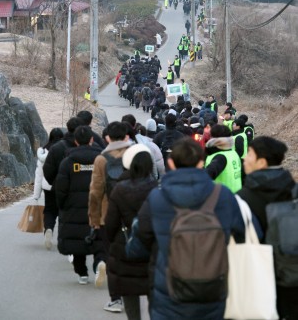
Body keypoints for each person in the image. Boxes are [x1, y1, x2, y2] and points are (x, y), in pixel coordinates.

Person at [131, 137, 245, 320]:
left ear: (170, 163)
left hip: (168, 292)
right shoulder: (223, 195)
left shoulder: (157, 197)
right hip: (214, 290)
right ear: (201, 162)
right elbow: (241, 236)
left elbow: (136, 248)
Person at [238, 136, 298, 320]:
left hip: (258, 283)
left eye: (249, 154)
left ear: (261, 162)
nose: (244, 158)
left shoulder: (242, 198)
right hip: (291, 277)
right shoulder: (294, 190)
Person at [105, 145, 157, 320]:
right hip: (152, 248)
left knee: (129, 294)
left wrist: (112, 242)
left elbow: (111, 223)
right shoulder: (156, 189)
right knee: (154, 293)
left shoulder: (119, 189)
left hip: (126, 245)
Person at [88, 121, 131, 313]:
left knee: (112, 257)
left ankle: (116, 300)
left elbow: (95, 193)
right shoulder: (138, 154)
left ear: (107, 138)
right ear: (127, 137)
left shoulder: (101, 159)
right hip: (136, 216)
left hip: (109, 217)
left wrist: (94, 220)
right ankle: (135, 295)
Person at [55, 125, 104, 284]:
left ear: (75, 141)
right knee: (99, 239)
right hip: (97, 206)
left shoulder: (67, 162)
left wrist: (62, 205)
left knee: (77, 240)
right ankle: (99, 265)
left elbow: (61, 189)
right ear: (91, 140)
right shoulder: (102, 160)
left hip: (73, 208)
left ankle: (82, 273)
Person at [43, 117, 84, 245]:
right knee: (66, 213)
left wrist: (52, 182)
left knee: (50, 209)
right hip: (76, 187)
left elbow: (48, 168)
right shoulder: (85, 146)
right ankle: (66, 237)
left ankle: (49, 229)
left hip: (55, 185)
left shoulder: (57, 147)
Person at [33, 127, 64, 250]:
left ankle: (49, 229)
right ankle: (63, 236)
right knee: (63, 210)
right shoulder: (65, 149)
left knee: (50, 210)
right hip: (63, 185)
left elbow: (39, 175)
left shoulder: (43, 152)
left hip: (48, 186)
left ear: (50, 137)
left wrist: (36, 196)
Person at [205, 124, 242, 193]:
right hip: (235, 197)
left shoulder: (220, 157)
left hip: (221, 199)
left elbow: (205, 177)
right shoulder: (234, 153)